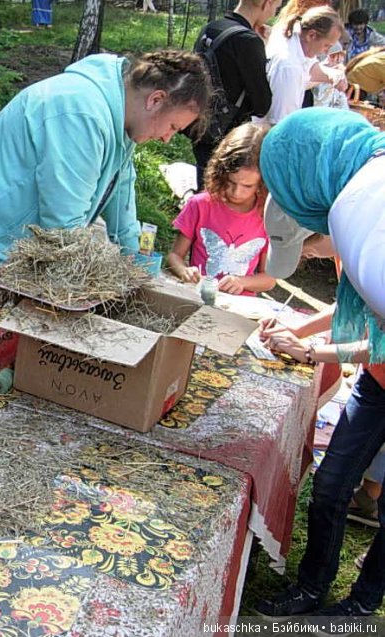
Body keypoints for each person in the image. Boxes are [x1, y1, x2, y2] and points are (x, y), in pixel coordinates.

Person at [0, 50, 212, 320]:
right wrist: (98, 284)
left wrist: (135, 266)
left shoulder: (124, 116)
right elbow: (62, 226)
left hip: (17, 247)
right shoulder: (80, 113)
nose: (166, 139)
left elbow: (121, 190)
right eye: (173, 127)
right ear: (155, 100)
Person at [254, 107, 385, 624]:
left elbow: (376, 342)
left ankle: (362, 602)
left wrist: (311, 353)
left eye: (309, 240)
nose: (308, 251)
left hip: (377, 369)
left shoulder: (361, 213)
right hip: (376, 385)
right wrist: (299, 331)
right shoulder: (352, 218)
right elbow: (353, 308)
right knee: (331, 485)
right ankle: (311, 586)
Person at [167, 123, 275, 295]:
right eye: (231, 182)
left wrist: (241, 282)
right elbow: (174, 256)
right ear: (221, 172)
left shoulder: (268, 216)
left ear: (263, 182)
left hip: (240, 305)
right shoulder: (200, 205)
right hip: (199, 294)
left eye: (247, 186)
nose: (237, 192)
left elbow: (269, 279)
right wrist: (184, 271)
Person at [188, 0, 282, 189]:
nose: (273, 13)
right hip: (228, 135)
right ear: (266, 3)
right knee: (219, 193)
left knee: (203, 188)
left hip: (200, 124)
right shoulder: (248, 41)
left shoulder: (212, 28)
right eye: (276, 7)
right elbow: (262, 104)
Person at [256, 6, 344, 125]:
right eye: (326, 46)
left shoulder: (294, 35)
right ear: (311, 35)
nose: (325, 51)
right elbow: (279, 123)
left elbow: (310, 68)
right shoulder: (289, 66)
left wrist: (332, 73)